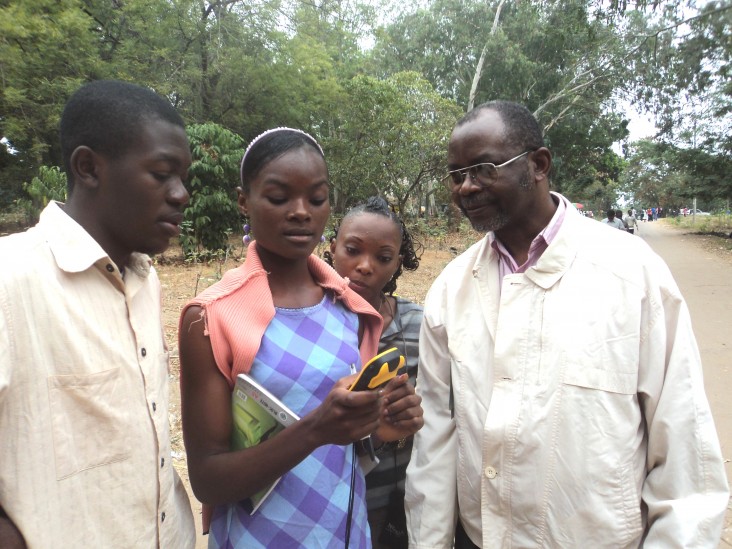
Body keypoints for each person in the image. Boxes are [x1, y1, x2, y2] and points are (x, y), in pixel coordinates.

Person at [404, 100, 728, 548]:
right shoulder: (451, 289)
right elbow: (434, 443)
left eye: (482, 169)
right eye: (456, 175)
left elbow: (684, 451)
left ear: (538, 164)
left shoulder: (632, 274)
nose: (466, 188)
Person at [178, 128, 423, 548]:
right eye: (278, 197)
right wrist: (316, 429)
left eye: (317, 198)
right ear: (243, 201)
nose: (301, 212)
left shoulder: (352, 309)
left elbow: (349, 447)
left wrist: (382, 426)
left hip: (346, 532)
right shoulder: (211, 318)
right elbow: (209, 481)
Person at [0, 80, 195, 548]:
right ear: (88, 167)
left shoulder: (144, 279)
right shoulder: (10, 279)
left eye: (184, 178)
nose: (182, 194)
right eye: (162, 173)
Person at [324, 196, 423, 549]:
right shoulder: (316, 327)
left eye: (383, 258)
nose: (365, 267)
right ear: (332, 247)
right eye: (352, 250)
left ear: (398, 262)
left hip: (405, 497)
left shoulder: (417, 324)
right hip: (340, 500)